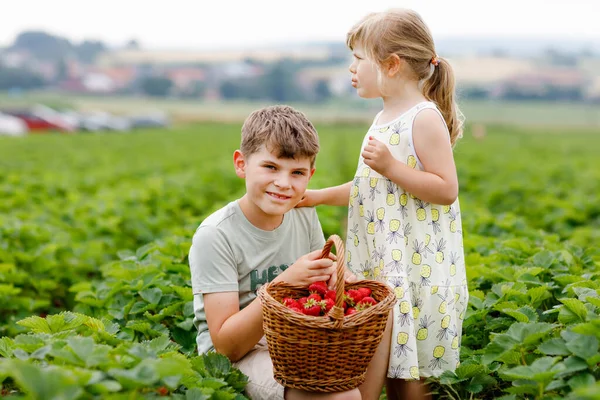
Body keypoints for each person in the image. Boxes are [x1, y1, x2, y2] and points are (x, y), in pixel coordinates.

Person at [298, 9, 469, 400]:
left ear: (391, 65)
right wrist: (319, 197)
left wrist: (392, 167)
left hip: (416, 267)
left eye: (359, 59)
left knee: (408, 377)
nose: (351, 68)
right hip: (383, 260)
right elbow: (369, 187)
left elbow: (446, 189)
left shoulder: (423, 118)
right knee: (386, 356)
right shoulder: (383, 117)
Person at [189, 105, 391, 400]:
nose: (283, 183)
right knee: (342, 397)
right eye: (270, 167)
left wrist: (340, 281)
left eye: (297, 172)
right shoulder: (216, 235)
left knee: (380, 319)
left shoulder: (303, 214)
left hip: (295, 338)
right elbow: (225, 346)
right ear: (241, 163)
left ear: (311, 175)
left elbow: (321, 289)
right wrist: (284, 283)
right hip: (241, 356)